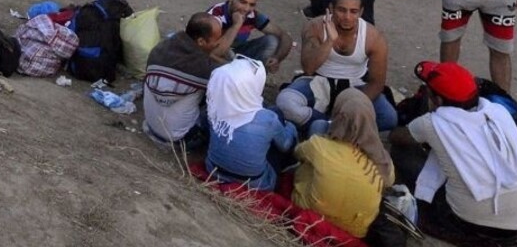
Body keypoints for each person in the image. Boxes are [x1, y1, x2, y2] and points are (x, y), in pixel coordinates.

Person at [390, 61, 517, 246]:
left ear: (438, 100)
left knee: (402, 153)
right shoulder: (497, 111)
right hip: (516, 225)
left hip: (466, 226)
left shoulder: (432, 123)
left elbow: (396, 137)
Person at [280, 0, 397, 133]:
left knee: (389, 118)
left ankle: (324, 124)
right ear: (331, 8)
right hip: (318, 82)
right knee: (285, 102)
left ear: (361, 12)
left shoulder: (373, 37)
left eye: (353, 11)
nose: (347, 17)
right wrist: (329, 41)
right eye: (341, 10)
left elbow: (376, 83)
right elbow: (308, 68)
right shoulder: (314, 27)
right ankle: (331, 126)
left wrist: (353, 106)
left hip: (355, 86)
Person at [291, 89, 393, 239]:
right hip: (356, 229)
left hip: (311, 210)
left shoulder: (319, 145)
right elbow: (388, 182)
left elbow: (297, 153)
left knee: (309, 164)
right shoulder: (384, 160)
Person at [204, 56, 298, 192]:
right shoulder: (267, 119)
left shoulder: (214, 105)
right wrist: (291, 127)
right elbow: (286, 145)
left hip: (213, 171)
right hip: (255, 183)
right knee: (280, 132)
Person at [142, 13, 224, 149]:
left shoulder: (160, 48)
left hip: (150, 124)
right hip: (178, 138)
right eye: (216, 39)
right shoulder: (203, 68)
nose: (219, 43)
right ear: (201, 42)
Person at [206, 0, 293, 71]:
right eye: (242, 2)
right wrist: (236, 25)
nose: (246, 9)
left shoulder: (252, 15)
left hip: (236, 54)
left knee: (272, 41)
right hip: (214, 58)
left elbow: (284, 36)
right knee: (226, 53)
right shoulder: (215, 14)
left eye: (252, 4)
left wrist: (277, 58)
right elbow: (212, 55)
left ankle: (254, 77)